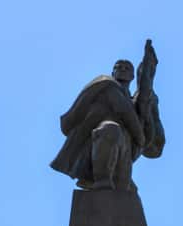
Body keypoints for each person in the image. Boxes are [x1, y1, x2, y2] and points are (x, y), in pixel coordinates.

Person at [50, 40, 164, 191]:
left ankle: (117, 181)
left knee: (123, 195)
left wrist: (147, 75)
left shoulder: (134, 101)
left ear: (132, 76)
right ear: (113, 73)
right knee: (110, 129)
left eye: (127, 68)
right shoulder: (106, 85)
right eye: (119, 67)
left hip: (125, 151)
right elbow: (125, 112)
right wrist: (140, 138)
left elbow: (144, 108)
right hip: (100, 143)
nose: (122, 69)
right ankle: (101, 180)